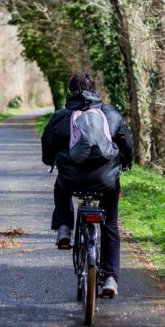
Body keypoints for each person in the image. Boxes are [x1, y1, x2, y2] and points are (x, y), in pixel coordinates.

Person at [41, 73, 134, 298]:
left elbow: (47, 145)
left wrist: (51, 160)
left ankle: (64, 227)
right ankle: (111, 278)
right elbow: (127, 144)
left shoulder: (62, 116)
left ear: (71, 91)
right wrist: (126, 162)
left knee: (61, 187)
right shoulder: (110, 114)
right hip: (107, 180)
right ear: (94, 90)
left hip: (72, 178)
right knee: (110, 223)